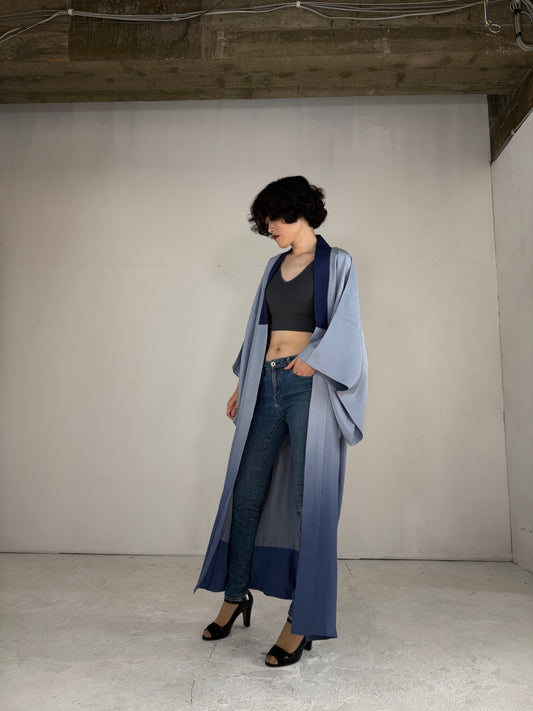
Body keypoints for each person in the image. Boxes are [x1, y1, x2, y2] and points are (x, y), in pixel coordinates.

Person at [194, 175, 368, 667]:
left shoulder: (337, 263)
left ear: (299, 211)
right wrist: (243, 383)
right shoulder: (274, 265)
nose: (269, 227)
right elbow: (258, 329)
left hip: (309, 386)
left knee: (308, 501)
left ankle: (301, 620)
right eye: (265, 220)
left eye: (274, 217)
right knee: (246, 492)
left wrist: (316, 357)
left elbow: (348, 325)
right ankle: (235, 596)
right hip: (265, 382)